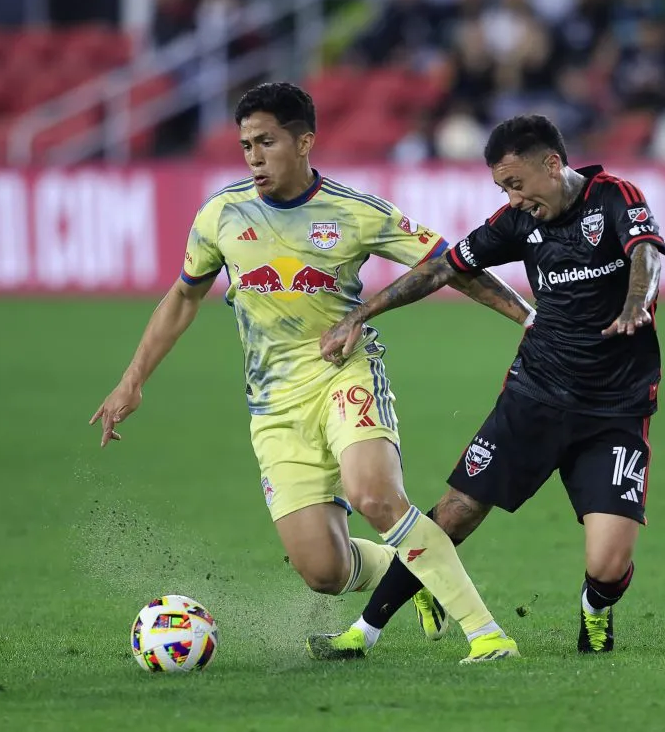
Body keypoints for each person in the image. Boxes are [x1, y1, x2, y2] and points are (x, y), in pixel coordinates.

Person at [89, 83, 533, 663]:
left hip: (343, 373)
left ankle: (488, 636)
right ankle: (417, 573)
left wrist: (528, 316)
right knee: (323, 571)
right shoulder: (222, 215)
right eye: (246, 143)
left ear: (304, 142)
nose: (253, 156)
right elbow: (182, 297)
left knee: (374, 495)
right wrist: (133, 378)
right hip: (274, 408)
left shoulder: (355, 212)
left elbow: (451, 265)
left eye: (266, 141)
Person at [310, 114, 665, 658]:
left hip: (615, 408)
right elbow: (442, 268)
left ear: (553, 164)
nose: (513, 198)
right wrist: (361, 313)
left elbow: (645, 251)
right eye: (503, 188)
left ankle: (595, 610)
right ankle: (364, 631)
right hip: (536, 395)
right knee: (454, 511)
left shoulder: (614, 196)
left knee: (608, 564)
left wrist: (635, 303)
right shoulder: (516, 222)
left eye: (517, 184)